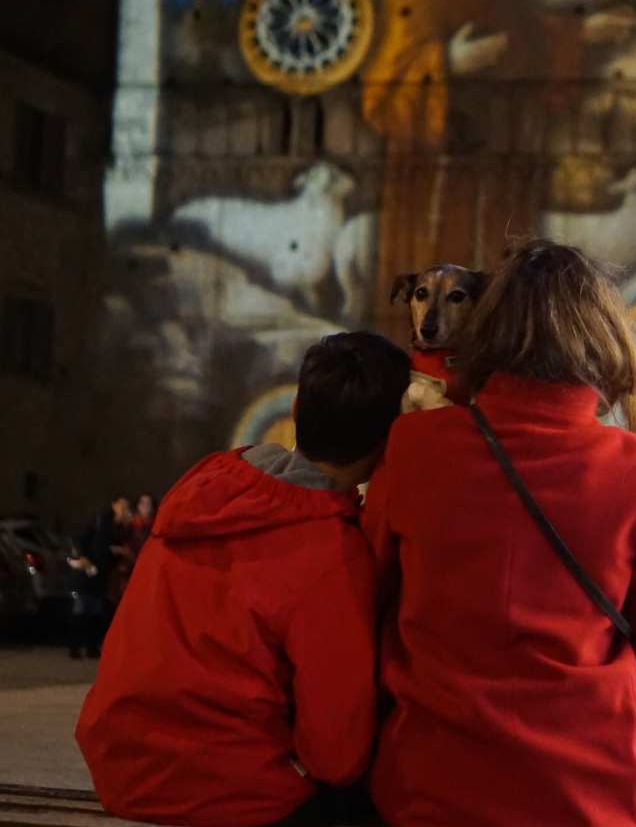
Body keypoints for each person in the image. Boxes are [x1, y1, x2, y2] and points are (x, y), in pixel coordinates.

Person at [362, 239, 636, 827]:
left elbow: (367, 597)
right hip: (583, 798)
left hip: (430, 786)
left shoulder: (415, 448)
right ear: (599, 338)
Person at [76, 332, 411, 827]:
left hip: (119, 764)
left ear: (296, 408)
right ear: (388, 442)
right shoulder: (332, 555)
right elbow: (335, 756)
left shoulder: (208, 485)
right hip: (222, 788)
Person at [363, 0, 636, 341]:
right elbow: (384, 87)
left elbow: (524, 40)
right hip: (440, 179)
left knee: (496, 287)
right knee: (446, 293)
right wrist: (448, 63)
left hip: (500, 167)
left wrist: (581, 32)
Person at [67, 496, 132, 660]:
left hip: (100, 575)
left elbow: (110, 552)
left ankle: (91, 647)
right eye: (121, 505)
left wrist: (116, 552)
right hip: (86, 570)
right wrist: (83, 557)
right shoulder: (100, 521)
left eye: (126, 507)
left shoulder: (120, 528)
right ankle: (75, 647)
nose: (124, 509)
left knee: (96, 612)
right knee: (81, 609)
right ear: (114, 505)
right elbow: (83, 540)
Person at [129, 492, 156, 559]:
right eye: (142, 503)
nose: (145, 506)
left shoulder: (155, 524)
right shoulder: (130, 524)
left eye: (148, 503)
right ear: (137, 505)